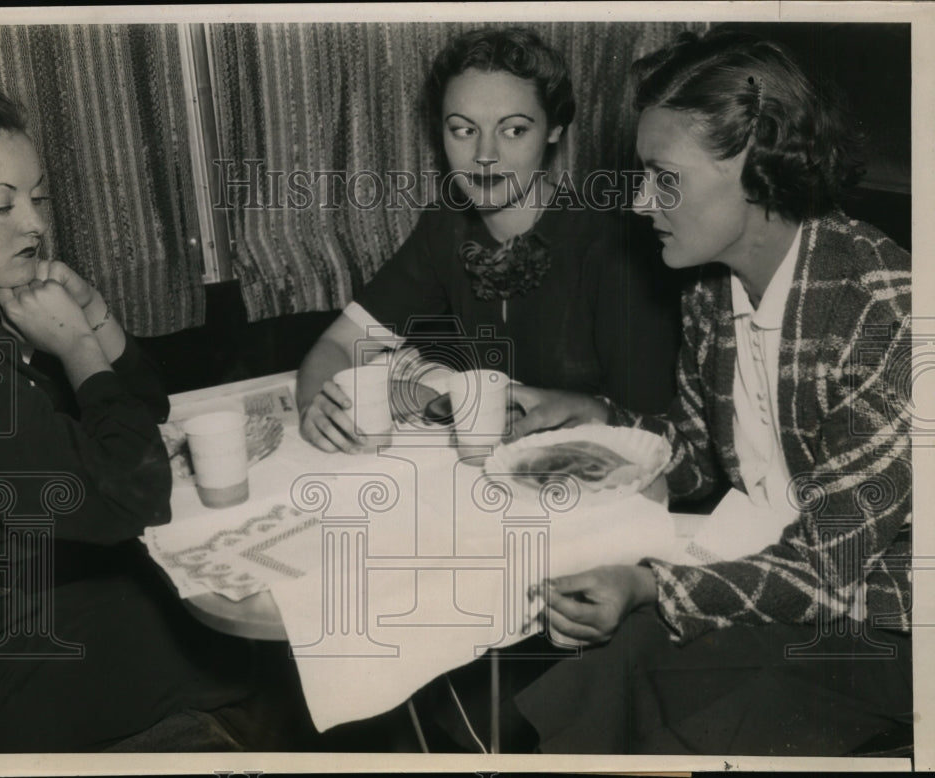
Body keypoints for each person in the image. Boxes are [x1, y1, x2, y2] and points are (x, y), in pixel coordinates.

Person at [506, 30, 912, 755]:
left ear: (758, 169)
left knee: (635, 672)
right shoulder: (710, 288)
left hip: (889, 623)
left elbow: (829, 572)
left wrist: (653, 587)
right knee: (599, 664)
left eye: (664, 176)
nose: (637, 201)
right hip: (776, 560)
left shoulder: (887, 317)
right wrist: (597, 418)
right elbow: (695, 455)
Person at [0, 87, 280, 753]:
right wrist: (76, 348)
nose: (34, 223)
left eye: (38, 197)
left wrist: (95, 314)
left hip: (40, 589)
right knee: (241, 626)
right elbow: (128, 495)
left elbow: (145, 412)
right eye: (1, 204)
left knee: (231, 584)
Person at [297, 26, 682, 452]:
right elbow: (337, 345)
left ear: (554, 129)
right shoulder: (445, 228)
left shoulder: (616, 247)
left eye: (513, 130)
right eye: (463, 130)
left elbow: (652, 433)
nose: (484, 155)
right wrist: (320, 409)